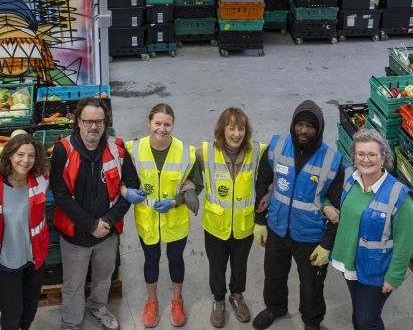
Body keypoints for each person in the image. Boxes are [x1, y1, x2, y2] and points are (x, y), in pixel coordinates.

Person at [252, 100, 345, 330]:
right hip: (277, 227)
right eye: (299, 124)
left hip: (311, 237)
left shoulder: (333, 161)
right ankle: (275, 307)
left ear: (320, 129)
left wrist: (327, 244)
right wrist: (260, 220)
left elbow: (337, 208)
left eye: (310, 126)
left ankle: (312, 321)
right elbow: (263, 182)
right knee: (273, 276)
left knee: (311, 285)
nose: (303, 131)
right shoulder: (276, 146)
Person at [50, 97, 140, 330]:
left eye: (99, 121)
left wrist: (108, 221)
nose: (93, 126)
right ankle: (70, 322)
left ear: (105, 122)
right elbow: (60, 195)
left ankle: (98, 306)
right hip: (75, 236)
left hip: (107, 234)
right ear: (78, 122)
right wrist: (91, 225)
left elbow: (131, 188)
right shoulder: (63, 151)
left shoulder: (117, 149)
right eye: (88, 120)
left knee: (104, 276)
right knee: (73, 284)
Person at [122, 103, 203, 328]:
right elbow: (116, 174)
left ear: (173, 125)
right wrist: (124, 191)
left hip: (176, 219)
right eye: (157, 123)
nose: (162, 128)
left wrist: (176, 201)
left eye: (167, 124)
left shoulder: (185, 152)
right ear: (149, 122)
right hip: (147, 218)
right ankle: (152, 301)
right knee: (151, 260)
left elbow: (196, 183)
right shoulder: (133, 149)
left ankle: (177, 300)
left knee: (176, 259)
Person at [330, 129, 413, 330]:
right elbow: (329, 194)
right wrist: (327, 205)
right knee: (359, 314)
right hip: (350, 262)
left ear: (383, 157)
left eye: (372, 155)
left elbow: (406, 241)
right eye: (360, 154)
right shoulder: (350, 176)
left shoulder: (399, 196)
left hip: (376, 270)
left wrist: (394, 276)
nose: (365, 160)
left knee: (368, 319)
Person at [200, 107, 267, 328]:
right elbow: (184, 165)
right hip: (215, 225)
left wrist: (272, 193)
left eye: (241, 128)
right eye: (231, 128)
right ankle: (218, 299)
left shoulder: (257, 151)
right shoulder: (206, 151)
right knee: (216, 266)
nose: (236, 133)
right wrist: (189, 189)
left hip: (243, 225)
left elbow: (283, 161)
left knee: (240, 265)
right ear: (222, 130)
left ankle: (236, 295)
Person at [0, 134, 51, 330]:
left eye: (31, 156)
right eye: (20, 154)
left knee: (30, 309)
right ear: (9, 155)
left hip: (34, 258)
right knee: (11, 313)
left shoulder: (41, 179)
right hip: (7, 261)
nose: (25, 160)